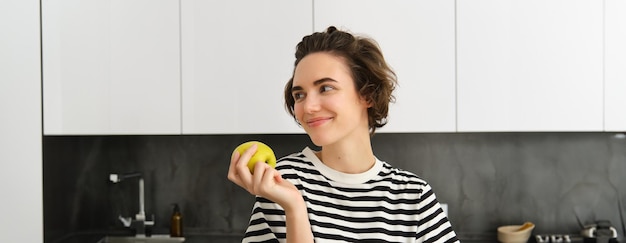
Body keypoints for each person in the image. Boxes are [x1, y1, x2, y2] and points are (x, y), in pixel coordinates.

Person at [228, 26, 459, 243]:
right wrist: (294, 208)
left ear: (367, 94)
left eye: (325, 88)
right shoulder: (280, 181)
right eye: (299, 95)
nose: (308, 107)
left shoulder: (412, 195)